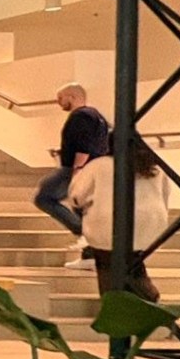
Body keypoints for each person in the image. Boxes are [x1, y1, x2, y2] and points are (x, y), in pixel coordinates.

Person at [69, 140, 168, 302]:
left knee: (106, 265)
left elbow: (77, 196)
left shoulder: (99, 165)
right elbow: (165, 194)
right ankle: (143, 296)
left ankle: (131, 299)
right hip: (150, 223)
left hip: (109, 224)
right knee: (133, 262)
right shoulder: (154, 167)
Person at [34, 83, 112, 268]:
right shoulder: (97, 117)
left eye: (61, 98)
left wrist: (78, 169)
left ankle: (84, 234)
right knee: (81, 208)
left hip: (76, 169)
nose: (59, 102)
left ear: (72, 96)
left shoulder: (80, 116)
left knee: (44, 197)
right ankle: (90, 254)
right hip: (92, 169)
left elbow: (84, 145)